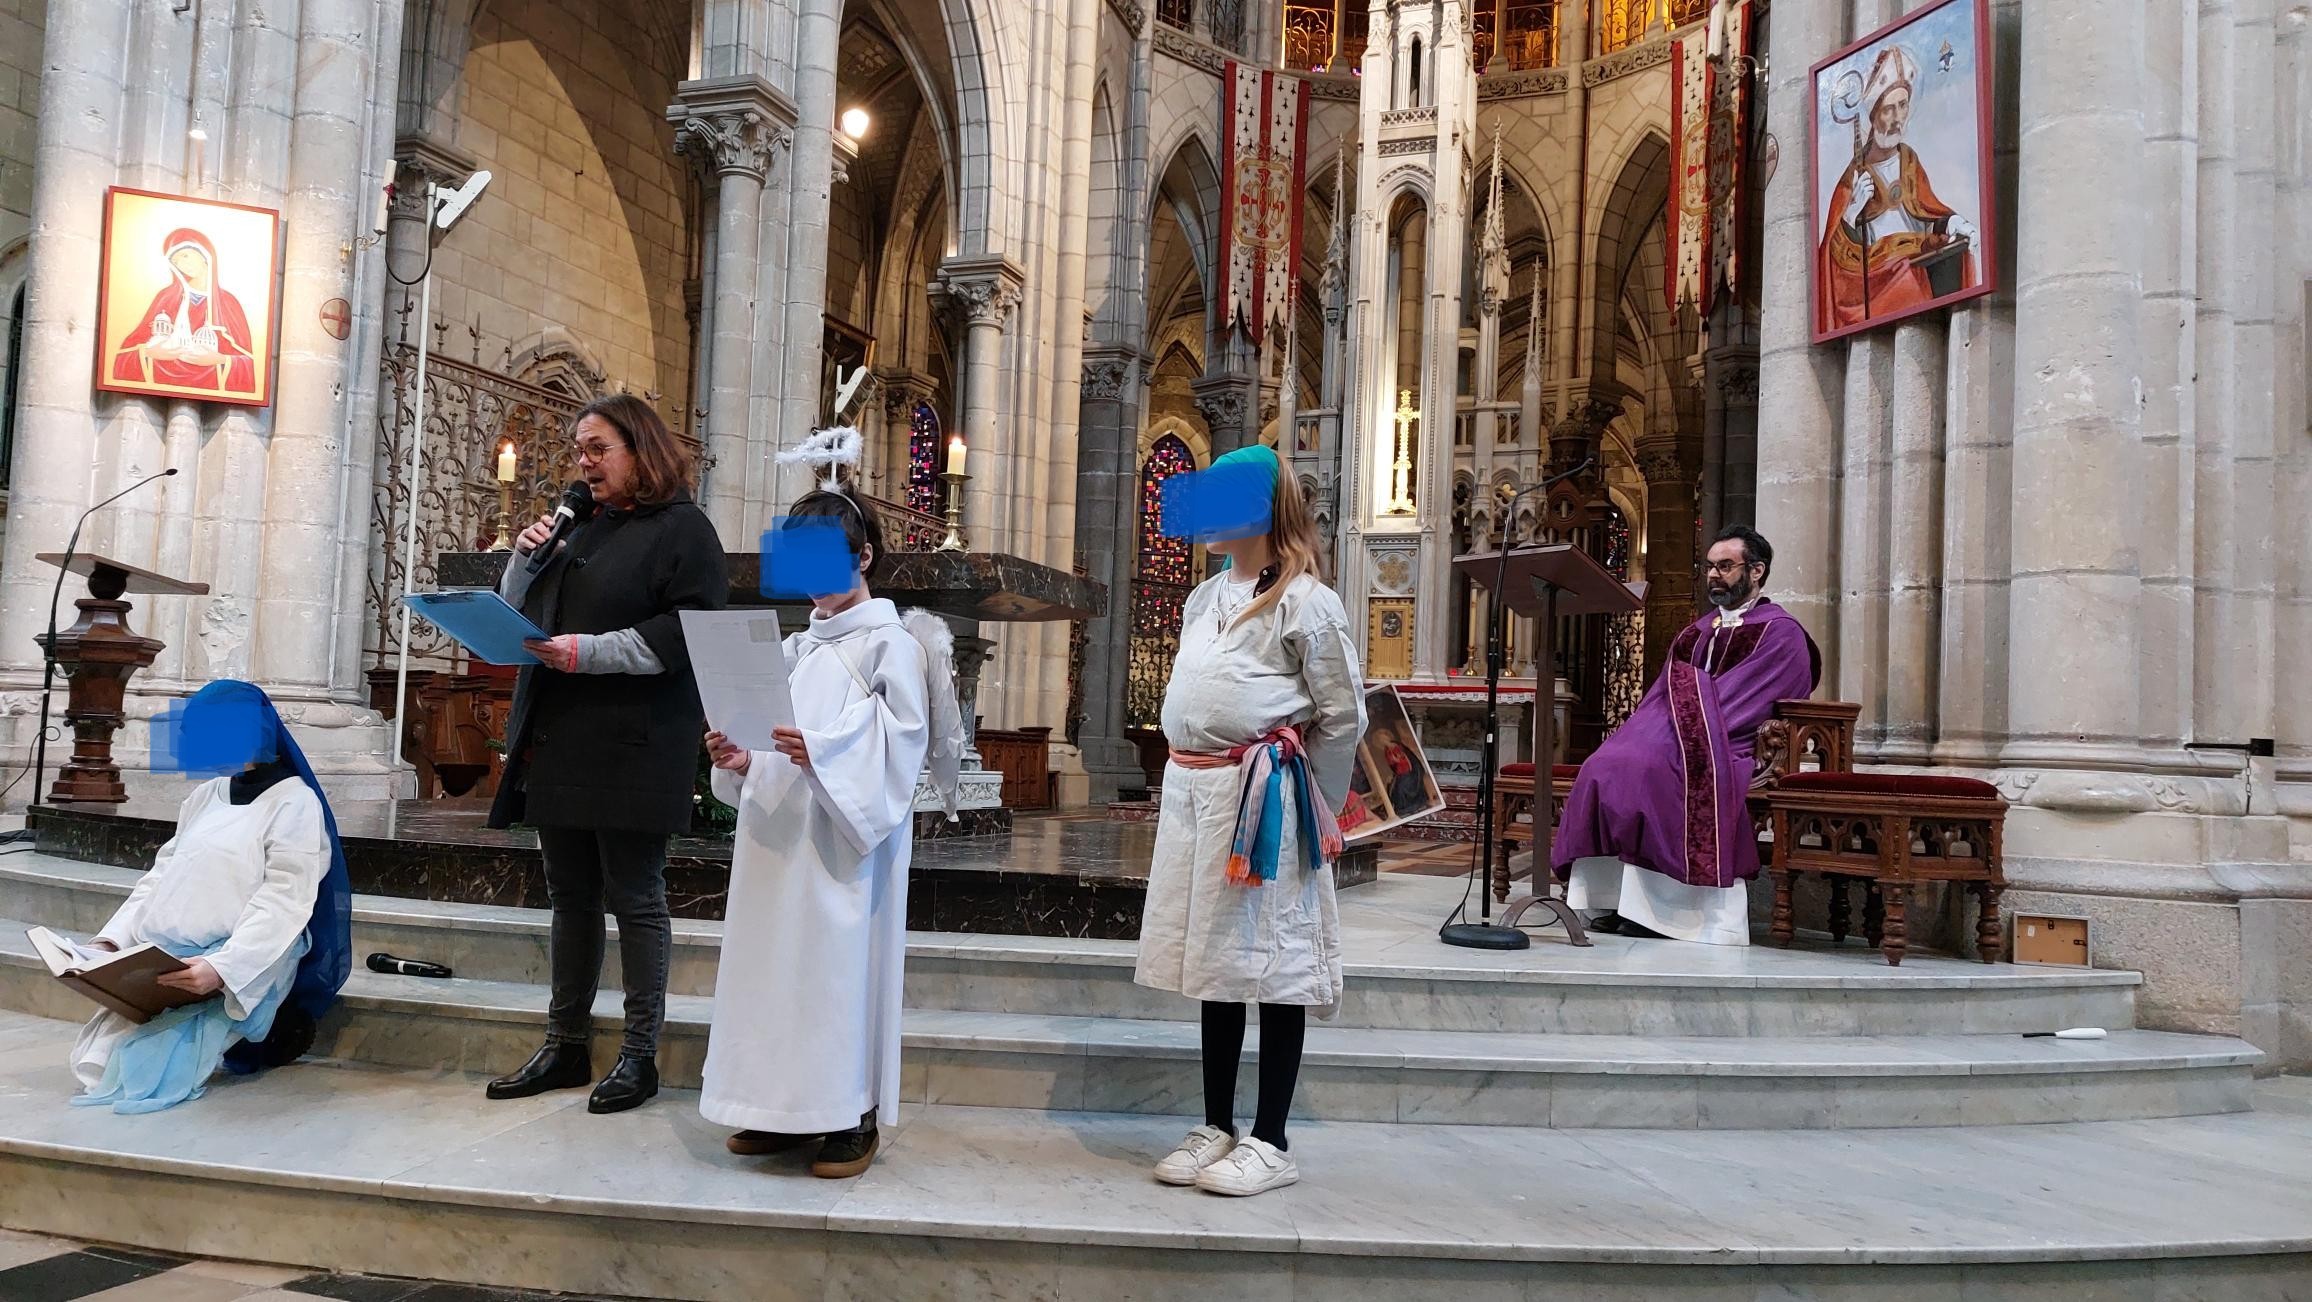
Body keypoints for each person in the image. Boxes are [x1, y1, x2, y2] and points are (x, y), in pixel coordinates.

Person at [700, 484, 964, 1179]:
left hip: (844, 842)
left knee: (835, 973)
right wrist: (740, 758)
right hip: (775, 834)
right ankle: (776, 1107)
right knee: (771, 969)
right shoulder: (793, 649)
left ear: (863, 557)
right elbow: (767, 737)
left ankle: (850, 1112)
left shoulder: (891, 645)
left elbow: (902, 741)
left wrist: (823, 753)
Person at [483, 393, 729, 1114]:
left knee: (635, 897)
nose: (583, 463)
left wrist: (586, 653)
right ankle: (565, 1044)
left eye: (597, 448)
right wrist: (525, 560)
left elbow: (687, 632)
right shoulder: (579, 525)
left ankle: (639, 1054)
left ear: (640, 449)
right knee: (570, 897)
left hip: (635, 741)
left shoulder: (684, 529)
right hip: (560, 734)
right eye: (579, 450)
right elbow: (518, 613)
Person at [1135, 446, 1365, 1198]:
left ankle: (1272, 1138)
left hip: (1263, 798)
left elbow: (1343, 714)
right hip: (1194, 794)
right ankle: (1216, 1125)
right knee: (1219, 961)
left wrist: (1310, 804)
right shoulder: (1205, 596)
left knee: (1275, 963)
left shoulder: (1307, 601)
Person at [71, 680, 352, 1113]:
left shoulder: (294, 803)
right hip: (168, 955)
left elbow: (285, 900)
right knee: (96, 1060)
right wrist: (111, 942)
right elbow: (162, 875)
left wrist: (222, 968)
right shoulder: (205, 796)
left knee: (149, 1074)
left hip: (243, 958)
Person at [1551, 526, 1822, 945]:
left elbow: (1753, 694)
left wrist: (1688, 728)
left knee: (1654, 767)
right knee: (1605, 763)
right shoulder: (1696, 632)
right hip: (1679, 731)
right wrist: (1654, 728)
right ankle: (1616, 902)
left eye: (1725, 566)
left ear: (1756, 571)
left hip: (1730, 739)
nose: (1713, 575)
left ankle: (1667, 915)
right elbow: (1662, 695)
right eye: (1709, 566)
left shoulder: (1780, 632)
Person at [1816, 44, 1980, 332]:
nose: (1896, 118)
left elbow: (1927, 210)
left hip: (1919, 260)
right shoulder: (1852, 177)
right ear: (1873, 115)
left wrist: (1957, 222)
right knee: (1908, 281)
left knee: (1953, 257)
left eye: (1902, 106)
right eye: (1888, 109)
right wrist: (1851, 214)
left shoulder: (1908, 159)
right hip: (1877, 279)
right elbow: (1832, 257)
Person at [109, 228, 260, 396]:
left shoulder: (228, 303)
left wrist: (220, 359)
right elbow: (123, 356)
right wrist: (150, 352)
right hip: (162, 376)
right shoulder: (166, 298)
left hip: (212, 381)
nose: (182, 264)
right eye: (176, 261)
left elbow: (251, 366)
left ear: (204, 255)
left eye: (185, 255)